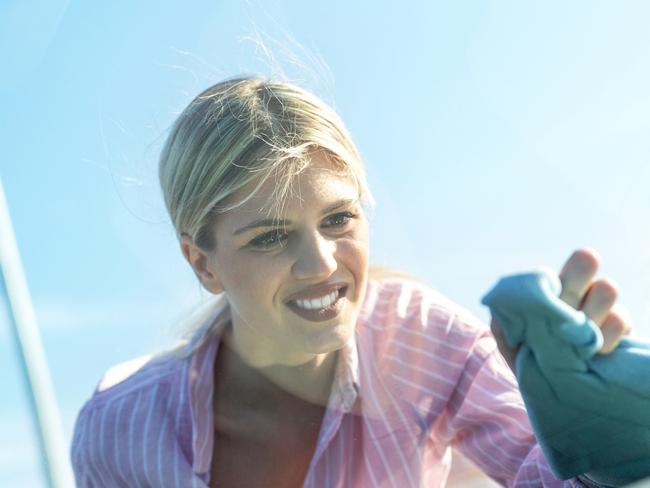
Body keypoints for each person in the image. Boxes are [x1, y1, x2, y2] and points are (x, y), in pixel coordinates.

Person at [70, 76, 632, 487]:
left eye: (339, 219)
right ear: (203, 264)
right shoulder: (116, 432)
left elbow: (548, 474)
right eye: (268, 237)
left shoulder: (421, 336)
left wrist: (606, 458)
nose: (320, 264)